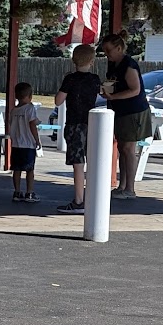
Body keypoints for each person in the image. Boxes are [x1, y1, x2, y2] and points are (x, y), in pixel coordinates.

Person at [99, 31, 151, 199]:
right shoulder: (115, 65)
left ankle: (130, 189)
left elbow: (135, 90)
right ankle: (122, 186)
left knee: (129, 149)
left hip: (133, 111)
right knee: (122, 148)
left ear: (119, 48)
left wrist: (113, 96)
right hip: (121, 111)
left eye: (108, 50)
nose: (106, 54)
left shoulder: (129, 65)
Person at [53, 43, 103, 211]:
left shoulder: (70, 79)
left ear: (74, 60)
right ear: (92, 61)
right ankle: (94, 197)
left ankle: (79, 200)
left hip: (74, 124)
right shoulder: (95, 79)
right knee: (93, 160)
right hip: (92, 124)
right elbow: (104, 93)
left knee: (78, 163)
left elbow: (58, 101)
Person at [5, 81, 42, 201]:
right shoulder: (30, 108)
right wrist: (37, 140)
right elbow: (32, 124)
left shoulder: (14, 110)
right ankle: (29, 192)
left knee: (17, 169)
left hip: (16, 144)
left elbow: (11, 124)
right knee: (30, 170)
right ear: (29, 96)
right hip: (28, 144)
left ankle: (17, 192)